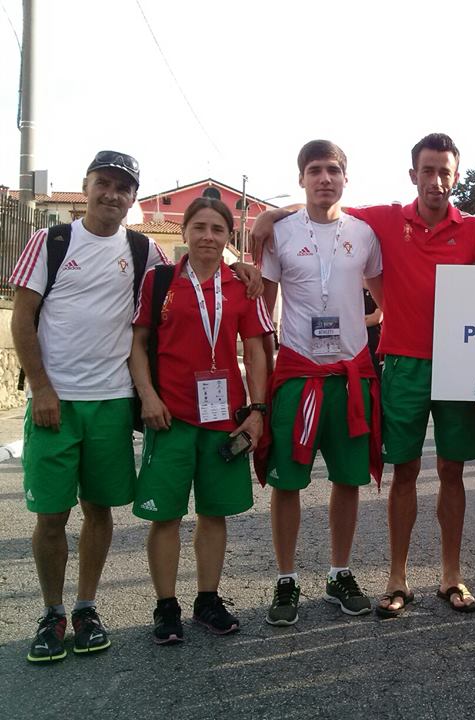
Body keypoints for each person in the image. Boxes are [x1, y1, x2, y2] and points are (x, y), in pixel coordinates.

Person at [252, 133, 475, 615]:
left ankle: (452, 575)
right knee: (404, 471)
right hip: (401, 364)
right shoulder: (380, 221)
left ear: (456, 175)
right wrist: (271, 213)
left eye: (444, 172)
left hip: (459, 364)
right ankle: (397, 578)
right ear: (413, 175)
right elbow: (321, 205)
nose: (436, 181)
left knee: (452, 471)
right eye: (427, 171)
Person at [10, 152, 169, 663]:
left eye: (123, 188)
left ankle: (86, 607)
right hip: (55, 402)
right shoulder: (51, 241)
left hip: (112, 402)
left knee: (99, 509)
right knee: (51, 514)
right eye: (103, 184)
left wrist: (248, 266)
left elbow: (192, 277)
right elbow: (23, 317)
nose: (112, 195)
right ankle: (52, 613)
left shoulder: (144, 250)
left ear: (132, 198)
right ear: (86, 186)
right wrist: (43, 389)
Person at [130, 197, 272, 643]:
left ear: (230, 237)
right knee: (166, 517)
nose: (208, 236)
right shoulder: (160, 280)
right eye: (200, 227)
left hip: (223, 422)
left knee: (215, 515)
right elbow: (137, 344)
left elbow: (254, 350)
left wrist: (257, 412)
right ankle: (165, 606)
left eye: (218, 229)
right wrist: (148, 397)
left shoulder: (241, 284)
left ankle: (207, 600)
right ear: (186, 231)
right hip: (169, 418)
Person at [258, 140, 384, 624]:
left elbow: (383, 297)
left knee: (347, 480)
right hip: (297, 373)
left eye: (333, 170)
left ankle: (339, 571)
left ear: (346, 178)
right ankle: (286, 579)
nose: (325, 178)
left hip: (351, 375)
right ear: (301, 179)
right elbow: (263, 311)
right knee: (286, 482)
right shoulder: (280, 233)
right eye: (315, 170)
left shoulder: (365, 234)